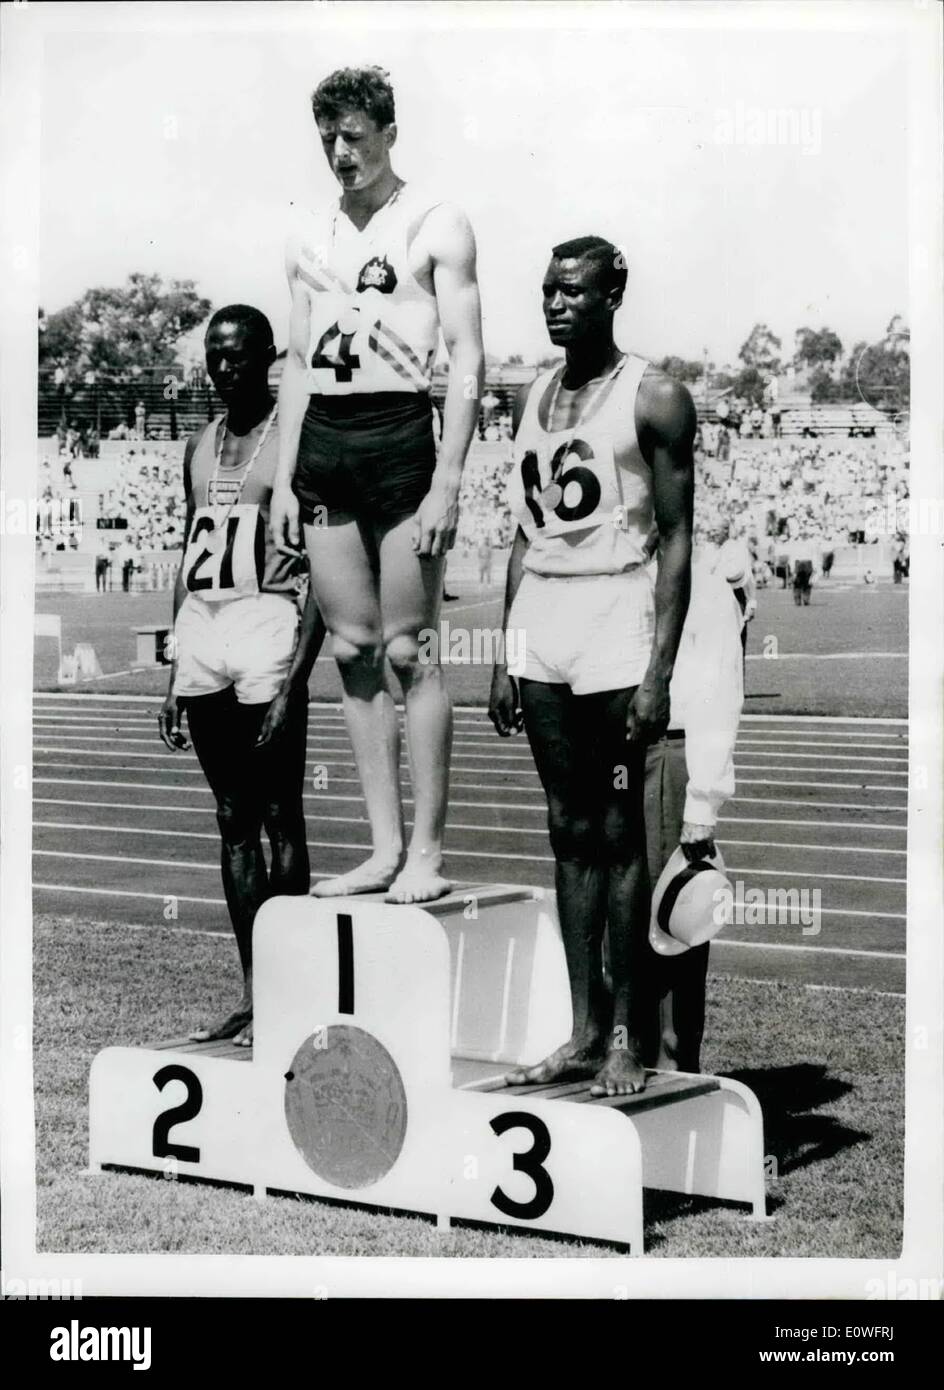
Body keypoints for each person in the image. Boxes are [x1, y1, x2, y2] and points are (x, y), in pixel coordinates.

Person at [270, 65, 484, 904]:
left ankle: (427, 850)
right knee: (353, 654)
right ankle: (383, 848)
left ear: (390, 132)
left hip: (399, 438)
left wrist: (452, 477)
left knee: (411, 650)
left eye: (354, 135)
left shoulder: (436, 223)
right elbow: (294, 359)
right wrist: (287, 478)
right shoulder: (305, 235)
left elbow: (466, 355)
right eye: (327, 137)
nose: (340, 151)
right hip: (325, 439)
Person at [488, 235, 694, 1097]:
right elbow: (523, 535)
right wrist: (506, 652)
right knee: (568, 834)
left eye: (573, 291)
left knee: (619, 838)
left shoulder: (654, 395)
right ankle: (580, 1026)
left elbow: (680, 538)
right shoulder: (531, 393)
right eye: (547, 291)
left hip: (616, 615)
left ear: (613, 294)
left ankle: (625, 1034)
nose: (556, 304)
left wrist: (657, 669)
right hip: (543, 620)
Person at [158, 305, 327, 1045]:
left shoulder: (295, 441)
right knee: (232, 820)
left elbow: (325, 566)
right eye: (215, 357)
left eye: (239, 357)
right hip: (205, 626)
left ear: (268, 358)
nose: (225, 370)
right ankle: (258, 994)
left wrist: (295, 680)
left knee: (281, 815)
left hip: (268, 622)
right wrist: (172, 664)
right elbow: (188, 550)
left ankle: (298, 990)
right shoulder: (199, 444)